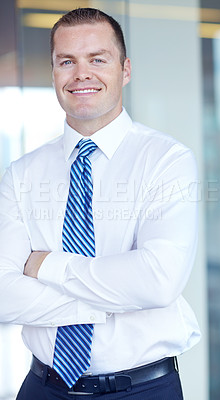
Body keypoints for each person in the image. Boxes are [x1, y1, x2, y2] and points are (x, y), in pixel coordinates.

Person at [0, 7, 200, 400]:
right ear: (53, 71)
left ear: (125, 70)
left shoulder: (167, 160)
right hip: (44, 388)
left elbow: (158, 281)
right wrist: (112, 304)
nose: (81, 74)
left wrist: (46, 265)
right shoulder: (20, 175)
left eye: (97, 59)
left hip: (143, 390)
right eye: (67, 61)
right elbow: (4, 295)